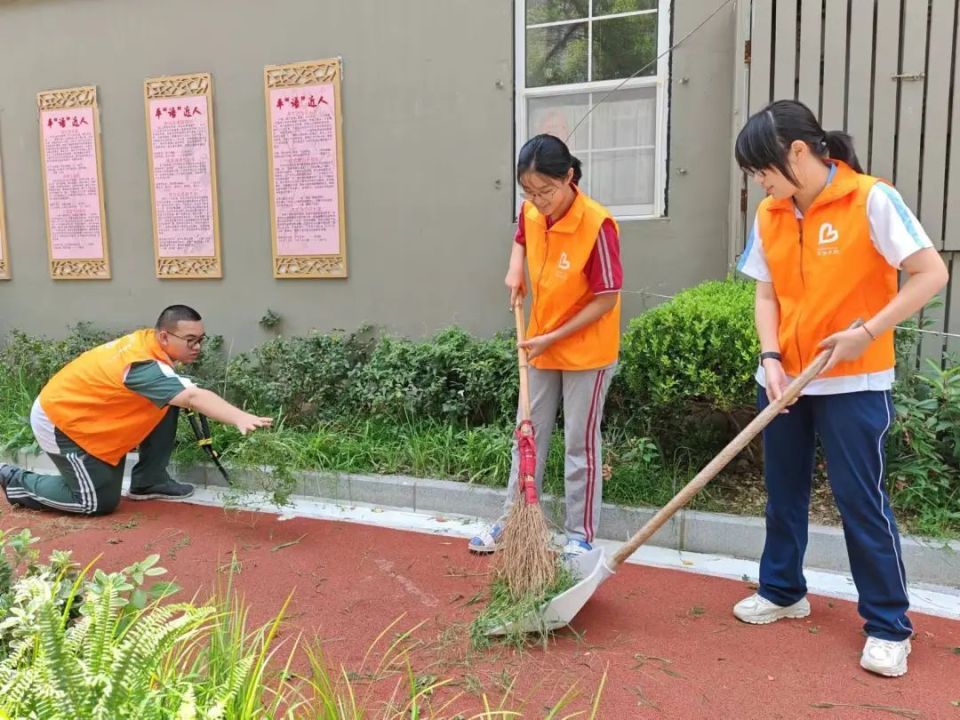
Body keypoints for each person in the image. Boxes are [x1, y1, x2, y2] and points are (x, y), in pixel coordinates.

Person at [733, 100, 949, 677]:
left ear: (797, 154)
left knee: (861, 502)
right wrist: (770, 356)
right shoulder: (772, 214)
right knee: (783, 493)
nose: (761, 183)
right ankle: (783, 590)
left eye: (763, 171)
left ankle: (887, 624)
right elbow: (766, 294)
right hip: (784, 380)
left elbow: (931, 273)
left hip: (855, 381)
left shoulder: (871, 198)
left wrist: (867, 332)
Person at [469, 134, 623, 558]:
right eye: (529, 192)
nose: (538, 201)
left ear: (569, 177)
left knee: (580, 442)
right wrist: (515, 268)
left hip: (586, 352)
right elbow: (522, 235)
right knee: (528, 434)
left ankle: (580, 534)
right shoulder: (531, 211)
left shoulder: (598, 224)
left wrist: (555, 336)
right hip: (539, 342)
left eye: (546, 191)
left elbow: (607, 297)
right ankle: (514, 518)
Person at [0, 305, 273, 516]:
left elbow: (183, 393)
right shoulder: (142, 365)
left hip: (96, 417)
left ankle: (149, 480)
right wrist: (240, 417)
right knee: (95, 502)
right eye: (190, 340)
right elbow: (192, 397)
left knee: (171, 397)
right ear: (164, 336)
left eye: (201, 339)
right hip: (64, 422)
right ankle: (16, 480)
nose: (198, 347)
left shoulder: (150, 345)